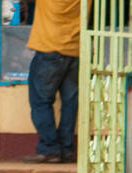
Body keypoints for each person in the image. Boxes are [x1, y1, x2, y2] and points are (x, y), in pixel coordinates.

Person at [24, 0, 81, 164]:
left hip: (49, 50)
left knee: (40, 101)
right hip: (75, 51)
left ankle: (50, 149)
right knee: (70, 104)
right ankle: (66, 149)